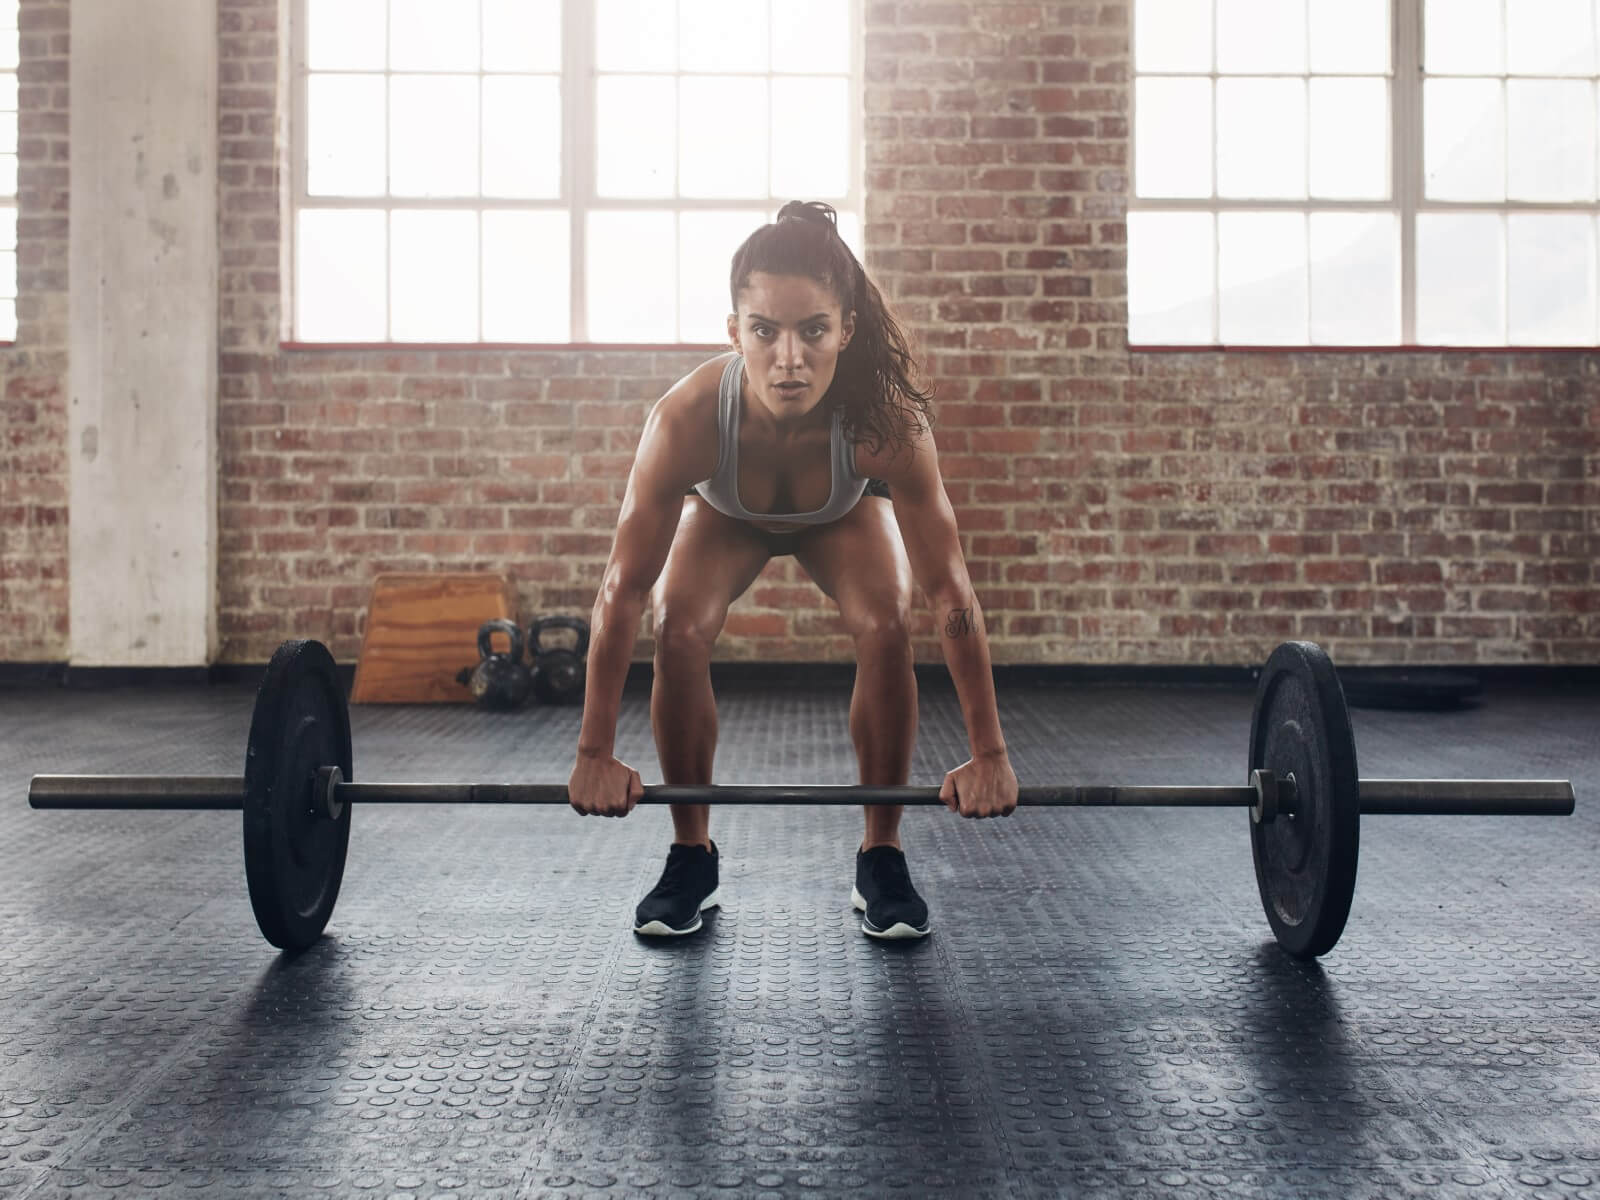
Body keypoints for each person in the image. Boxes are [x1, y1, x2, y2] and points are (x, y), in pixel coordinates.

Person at [566, 200, 1018, 940]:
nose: (789, 358)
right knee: (676, 626)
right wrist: (592, 753)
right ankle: (690, 854)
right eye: (764, 331)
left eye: (813, 331)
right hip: (726, 517)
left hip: (842, 515)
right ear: (733, 332)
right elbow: (622, 590)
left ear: (846, 328)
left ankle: (882, 854)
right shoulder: (683, 421)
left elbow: (951, 594)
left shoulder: (887, 425)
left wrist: (990, 754)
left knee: (885, 624)